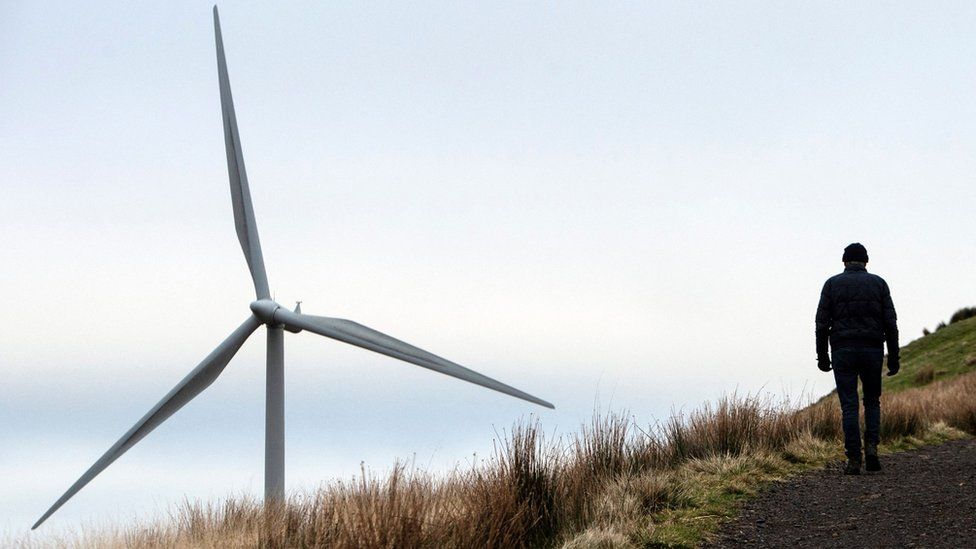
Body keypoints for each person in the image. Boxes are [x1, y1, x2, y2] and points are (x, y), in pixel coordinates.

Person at [815, 243, 900, 475]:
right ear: (866, 262)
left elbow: (821, 323)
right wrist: (894, 357)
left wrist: (822, 356)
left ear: (844, 262)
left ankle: (854, 459)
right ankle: (872, 450)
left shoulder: (831, 284)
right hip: (872, 349)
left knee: (849, 406)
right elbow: (890, 323)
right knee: (872, 401)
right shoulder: (879, 284)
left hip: (843, 351)